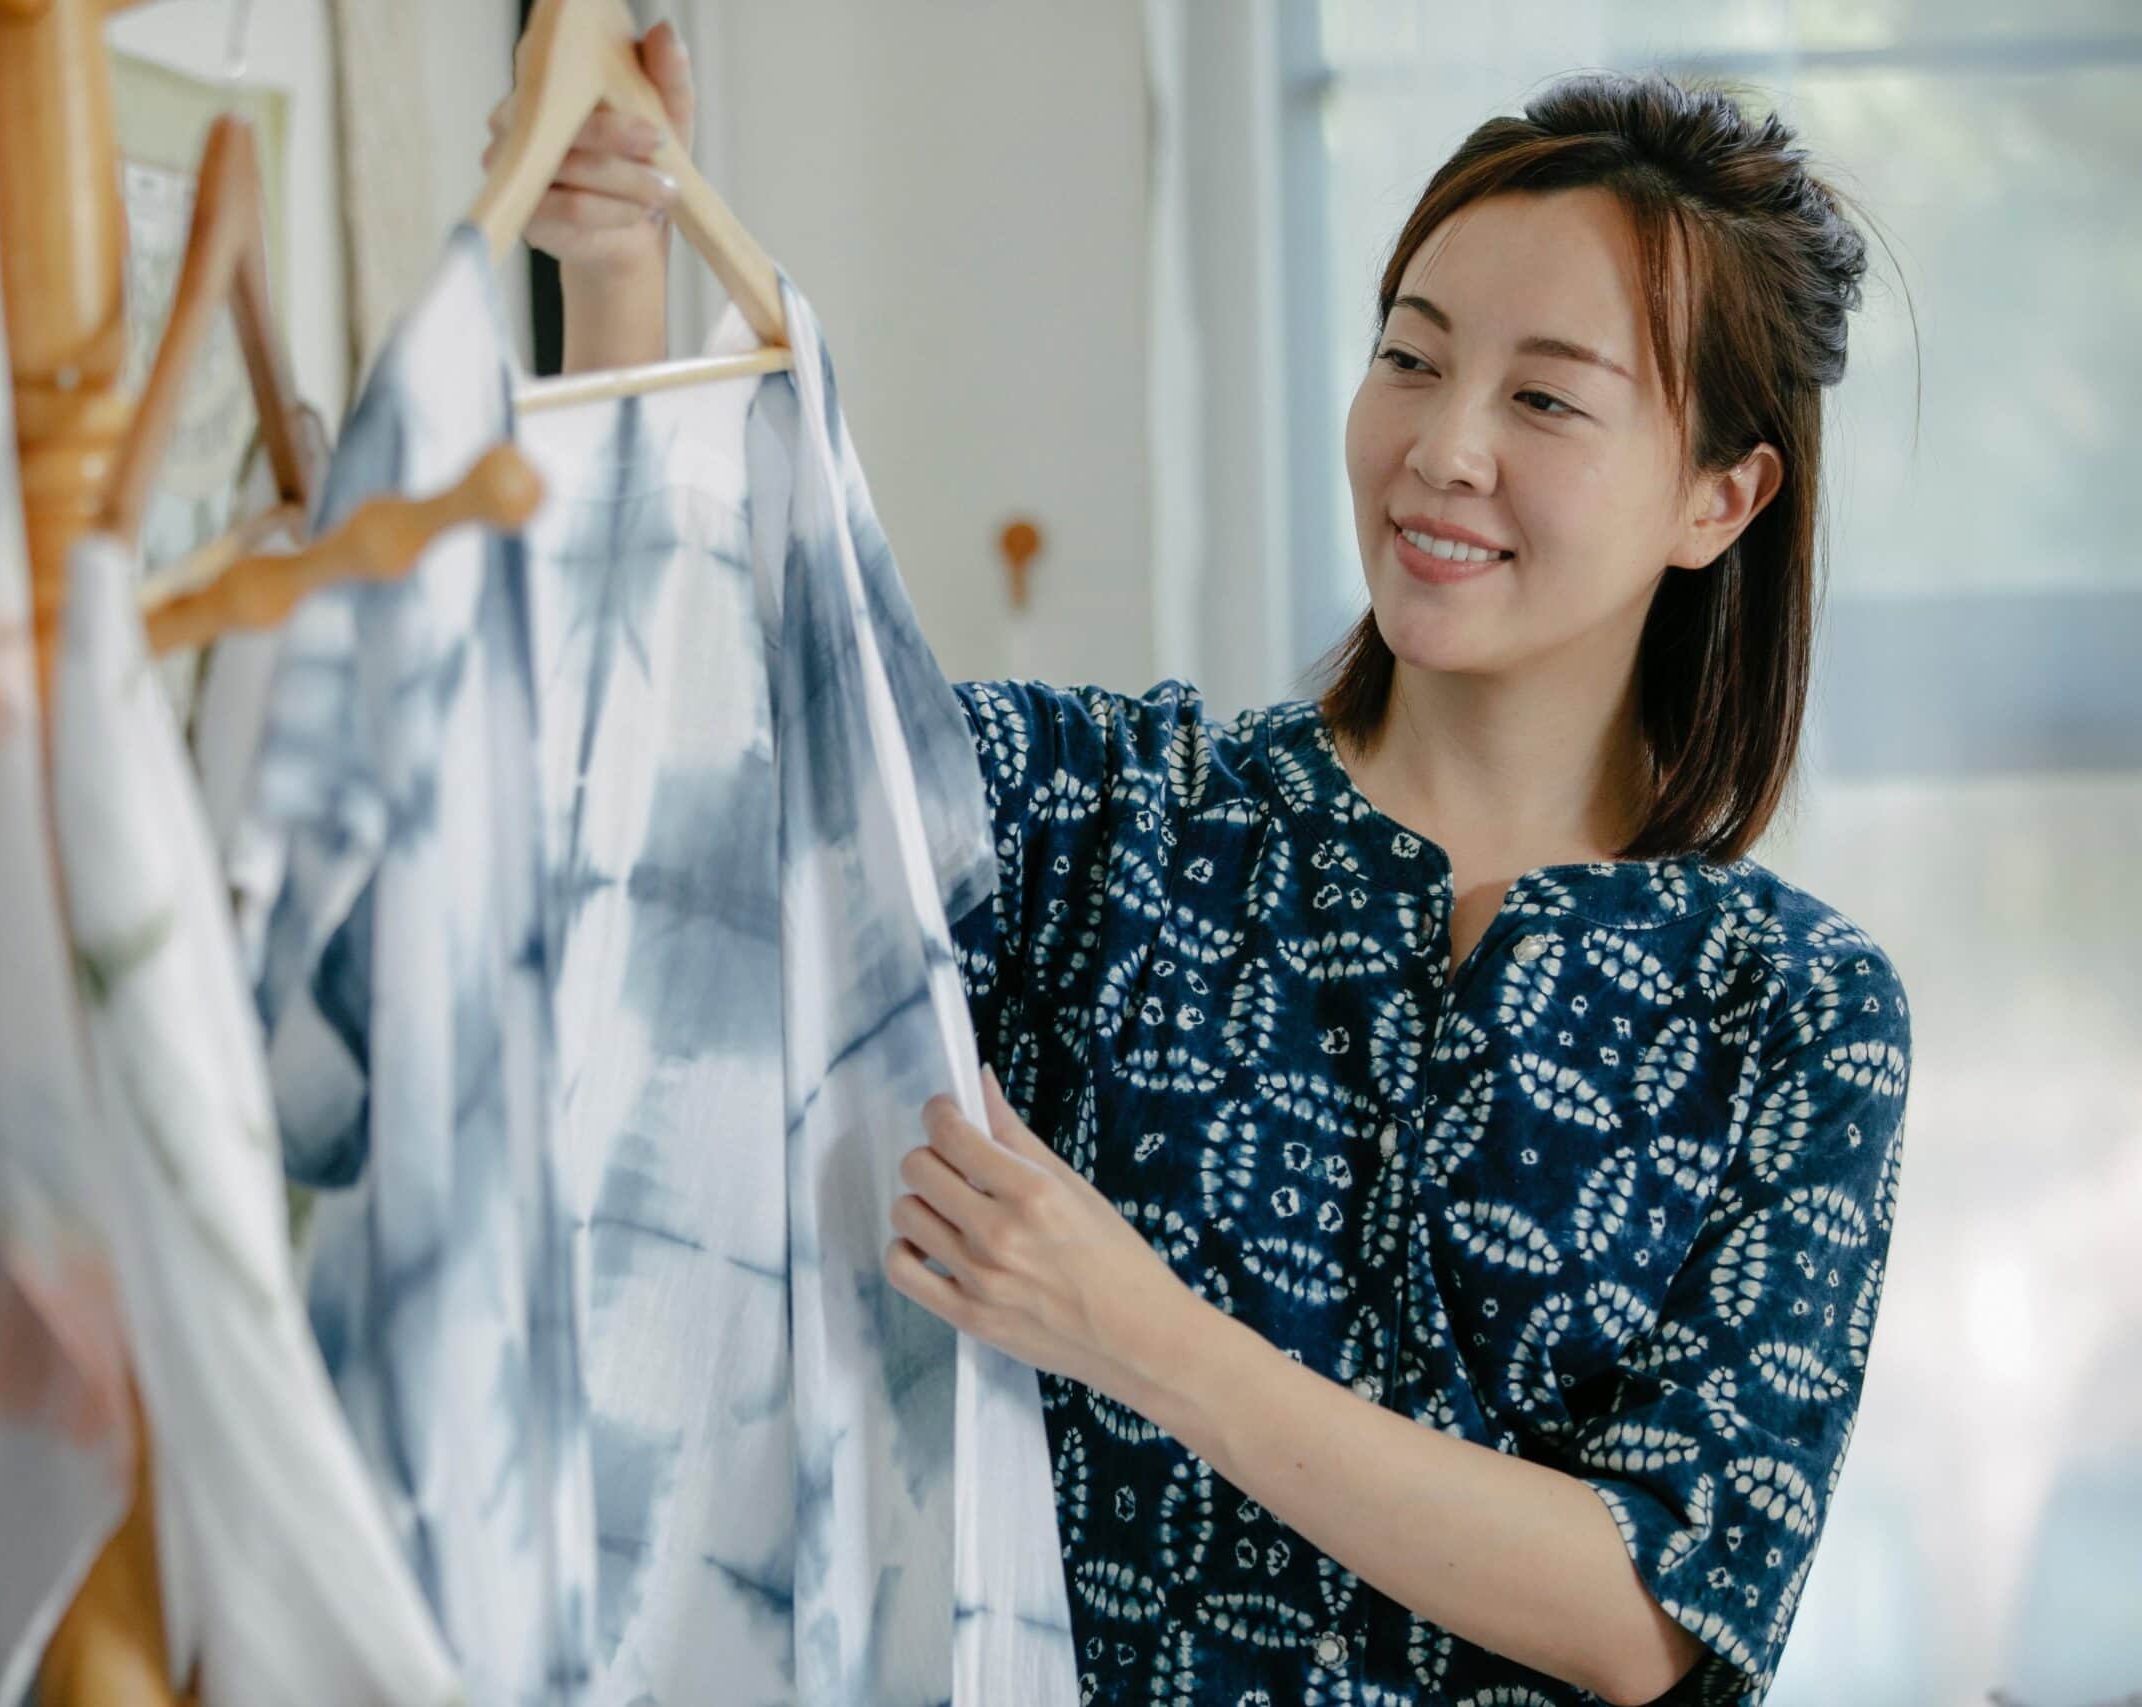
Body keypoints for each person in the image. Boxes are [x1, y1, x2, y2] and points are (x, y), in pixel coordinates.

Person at [505, 30, 1908, 1705]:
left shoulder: (1798, 1010)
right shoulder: (1104, 813)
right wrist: (616, 276)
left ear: (1720, 496)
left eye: (1543, 397)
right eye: (1410, 356)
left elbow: (1660, 1615)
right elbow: (692, 816)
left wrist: (1141, 1335)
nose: (1441, 448)